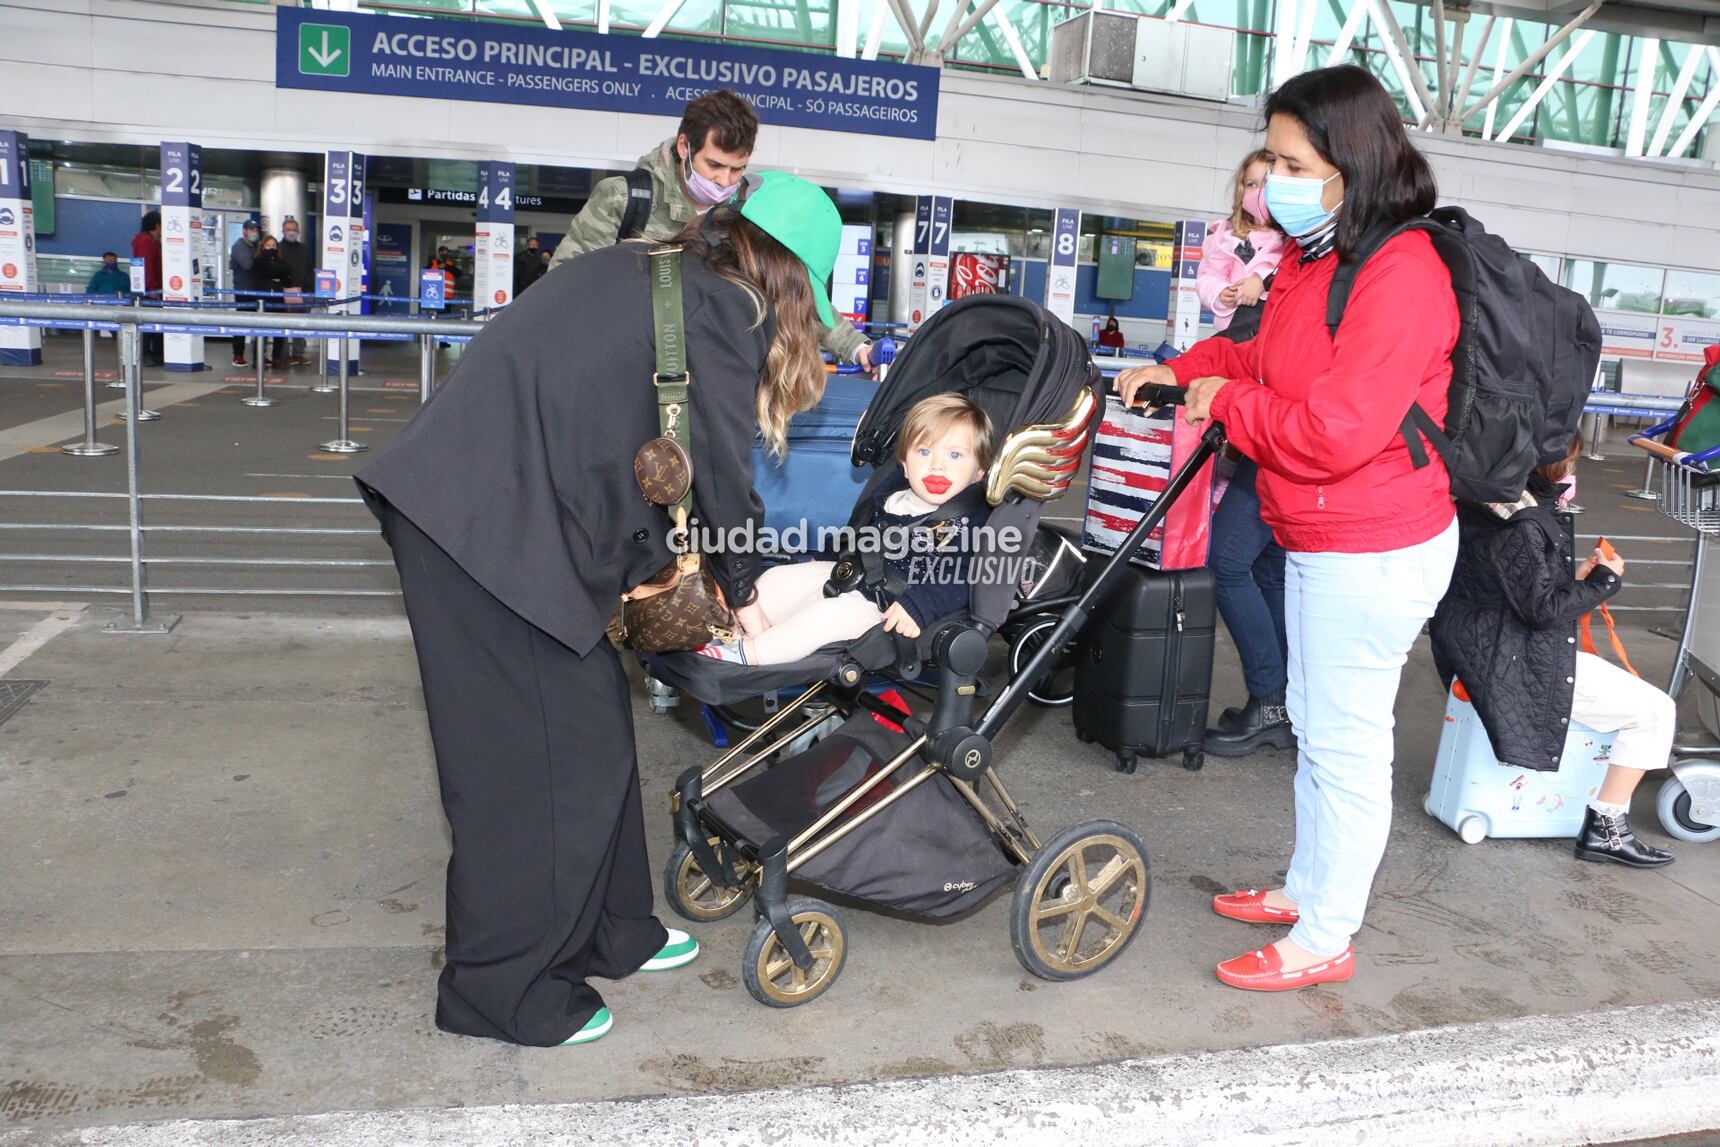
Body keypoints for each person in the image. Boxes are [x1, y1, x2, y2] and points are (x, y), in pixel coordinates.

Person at [352, 172, 841, 1047]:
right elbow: (723, 474)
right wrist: (747, 593)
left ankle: (615, 928)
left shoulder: (662, 271)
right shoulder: (726, 309)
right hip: (482, 535)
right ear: (792, 278)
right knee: (531, 770)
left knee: (593, 734)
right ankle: (500, 991)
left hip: (498, 516)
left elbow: (616, 424)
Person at [1116, 65, 1460, 993]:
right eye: (1269, 156)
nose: (1269, 178)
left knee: (1347, 743)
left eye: (1289, 159)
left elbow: (1336, 432)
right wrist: (1177, 369)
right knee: (1315, 725)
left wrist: (1225, 400)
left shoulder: (1402, 274)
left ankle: (1327, 934)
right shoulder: (1318, 261)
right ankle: (1310, 889)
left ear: (1348, 166)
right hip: (1320, 533)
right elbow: (1255, 351)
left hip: (1374, 543)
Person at [1430, 434, 1675, 869]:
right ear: (1554, 468)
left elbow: (1520, 590)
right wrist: (1603, 583)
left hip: (1485, 649)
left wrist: (1575, 579)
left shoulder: (1483, 502)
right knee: (1656, 711)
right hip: (1511, 660)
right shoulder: (1524, 521)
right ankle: (1607, 828)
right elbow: (1541, 610)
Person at [549, 89, 875, 372]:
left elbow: (791, 285)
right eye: (714, 165)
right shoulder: (624, 199)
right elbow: (563, 286)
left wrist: (858, 348)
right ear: (684, 147)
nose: (725, 181)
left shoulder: (748, 210)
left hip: (706, 373)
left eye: (738, 169)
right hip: (623, 363)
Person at [696, 393, 993, 665]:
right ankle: (731, 627)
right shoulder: (893, 495)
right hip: (856, 575)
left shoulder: (968, 520)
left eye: (955, 455)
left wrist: (920, 606)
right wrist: (828, 554)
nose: (937, 466)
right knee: (776, 579)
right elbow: (858, 534)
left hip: (888, 607)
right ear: (903, 463)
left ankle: (750, 653)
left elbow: (966, 576)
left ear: (980, 472)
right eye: (924, 452)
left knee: (824, 617)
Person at [1198, 150, 1293, 757]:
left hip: (1276, 423)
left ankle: (1271, 699)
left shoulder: (1303, 256)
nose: (1260, 192)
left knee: (1227, 561)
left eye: (1277, 178)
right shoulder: (1226, 239)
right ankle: (1284, 702)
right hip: (1265, 416)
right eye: (1255, 180)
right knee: (1265, 569)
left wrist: (1267, 284)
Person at [1197, 149, 1285, 338]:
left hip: (1275, 335)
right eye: (1251, 184)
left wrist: (1261, 281)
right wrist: (1220, 293)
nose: (1259, 193)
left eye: (1267, 184)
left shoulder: (1292, 239)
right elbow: (1207, 277)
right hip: (1232, 334)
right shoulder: (1225, 239)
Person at [250, 234, 297, 368]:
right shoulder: (259, 260)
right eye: (268, 246)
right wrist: (279, 275)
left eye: (274, 246)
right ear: (263, 246)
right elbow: (269, 271)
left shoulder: (281, 260)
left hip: (278, 298)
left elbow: (289, 278)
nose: (271, 248)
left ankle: (276, 357)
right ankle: (258, 358)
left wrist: (280, 278)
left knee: (279, 329)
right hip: (263, 298)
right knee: (262, 330)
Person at [277, 218, 314, 366]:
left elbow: (309, 268)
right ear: (283, 231)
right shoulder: (278, 248)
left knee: (301, 324)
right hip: (286, 293)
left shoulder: (303, 248)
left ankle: (298, 354)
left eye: (294, 229)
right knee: (285, 324)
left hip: (304, 292)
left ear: (298, 232)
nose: (291, 232)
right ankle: (284, 355)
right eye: (288, 229)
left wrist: (310, 287)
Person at [131, 211, 164, 367]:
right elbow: (147, 266)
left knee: (155, 322)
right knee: (147, 324)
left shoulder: (151, 240)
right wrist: (152, 288)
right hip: (150, 291)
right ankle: (145, 354)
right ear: (157, 225)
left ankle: (157, 352)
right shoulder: (145, 241)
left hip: (154, 288)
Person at [228, 218, 260, 367]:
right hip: (243, 291)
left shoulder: (255, 246)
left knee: (259, 325)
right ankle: (238, 354)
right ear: (244, 231)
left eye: (256, 230)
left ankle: (258, 355)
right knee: (241, 322)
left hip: (257, 291)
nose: (254, 232)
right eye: (251, 230)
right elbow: (248, 265)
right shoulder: (239, 246)